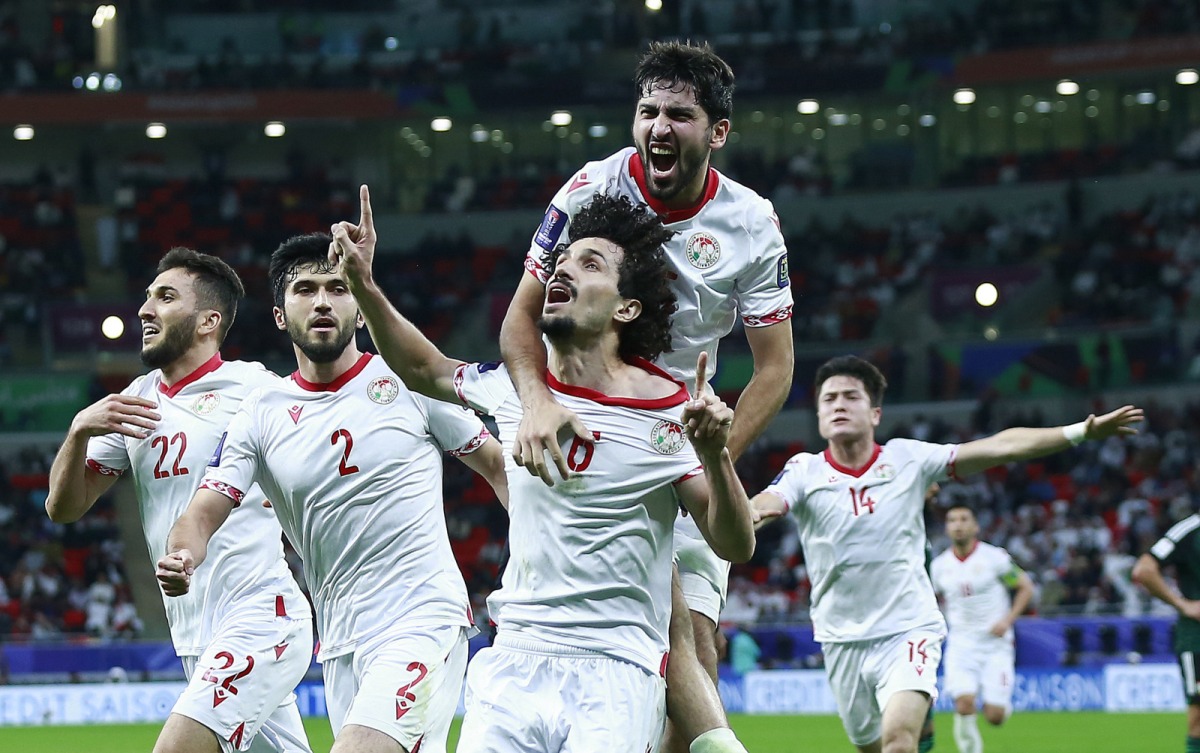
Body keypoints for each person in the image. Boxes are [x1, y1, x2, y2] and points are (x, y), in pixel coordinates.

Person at [331, 186, 756, 752]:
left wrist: (715, 457)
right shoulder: (516, 390)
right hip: (514, 659)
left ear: (626, 308)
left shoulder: (667, 410)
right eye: (561, 261)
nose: (564, 268)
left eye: (590, 263)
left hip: (616, 668)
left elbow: (735, 542)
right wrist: (364, 284)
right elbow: (423, 366)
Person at [499, 39, 794, 748]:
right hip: (586, 433)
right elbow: (517, 321)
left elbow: (775, 367)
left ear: (717, 132)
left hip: (675, 429)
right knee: (650, 636)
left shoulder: (751, 224)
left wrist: (704, 458)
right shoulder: (588, 191)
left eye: (680, 115)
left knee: (694, 639)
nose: (659, 126)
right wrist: (536, 401)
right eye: (648, 110)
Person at [158, 233, 507, 753]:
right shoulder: (261, 411)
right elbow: (203, 512)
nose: (322, 300)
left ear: (361, 311)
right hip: (340, 640)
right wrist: (182, 554)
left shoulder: (408, 381)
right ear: (281, 316)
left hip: (423, 617)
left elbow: (499, 469)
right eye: (305, 289)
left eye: (338, 288)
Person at [752, 355, 1142, 753]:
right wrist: (745, 513)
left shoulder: (908, 458)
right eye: (829, 398)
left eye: (851, 396)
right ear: (818, 415)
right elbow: (764, 504)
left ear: (875, 414)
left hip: (908, 628)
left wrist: (1077, 431)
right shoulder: (803, 470)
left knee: (898, 743)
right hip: (840, 638)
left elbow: (1000, 446)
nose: (838, 404)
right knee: (871, 746)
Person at [46, 248, 313, 753]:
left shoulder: (257, 389)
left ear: (209, 321)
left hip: (262, 616)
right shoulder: (136, 400)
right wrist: (79, 431)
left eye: (165, 297)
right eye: (147, 297)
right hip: (195, 635)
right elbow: (63, 508)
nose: (145, 310)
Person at [930, 504, 1035, 753]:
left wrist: (1007, 620)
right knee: (964, 704)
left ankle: (999, 707)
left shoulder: (994, 559)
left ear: (975, 526)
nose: (958, 524)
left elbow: (1025, 586)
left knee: (994, 717)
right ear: (946, 527)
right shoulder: (939, 566)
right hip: (961, 643)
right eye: (952, 520)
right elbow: (928, 600)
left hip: (995, 643)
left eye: (964, 519)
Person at [1132, 514, 1200, 753]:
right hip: (1197, 638)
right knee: (1199, 718)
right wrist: (1183, 604)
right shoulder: (1190, 530)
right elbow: (1144, 569)